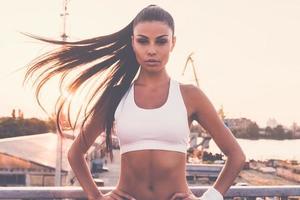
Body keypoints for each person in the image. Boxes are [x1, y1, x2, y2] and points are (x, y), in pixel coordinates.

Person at [23, 5, 245, 200]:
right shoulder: (117, 95)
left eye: (161, 41)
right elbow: (75, 153)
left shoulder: (190, 95)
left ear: (173, 43)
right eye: (143, 41)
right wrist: (96, 196)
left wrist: (208, 198)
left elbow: (236, 156)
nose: (151, 50)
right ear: (133, 43)